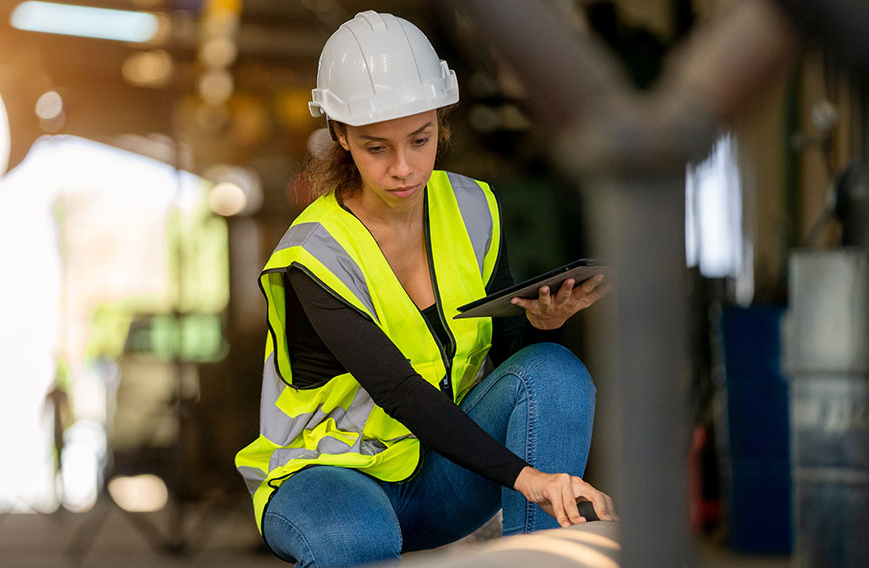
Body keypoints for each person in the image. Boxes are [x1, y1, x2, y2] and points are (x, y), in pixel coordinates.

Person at [234, 10, 615, 567]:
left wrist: (541, 322)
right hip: (328, 482)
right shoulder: (314, 256)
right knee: (357, 542)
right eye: (376, 147)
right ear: (340, 136)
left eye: (421, 139)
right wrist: (526, 477)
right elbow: (398, 390)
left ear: (440, 119)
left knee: (553, 373)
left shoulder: (473, 208)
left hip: (438, 477)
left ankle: (538, 557)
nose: (404, 168)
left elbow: (509, 363)